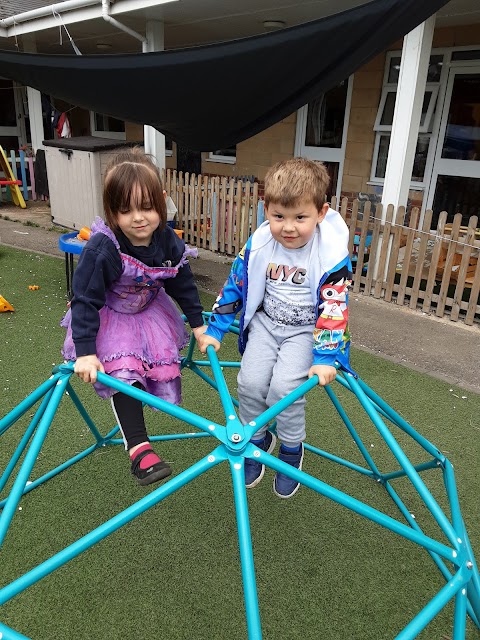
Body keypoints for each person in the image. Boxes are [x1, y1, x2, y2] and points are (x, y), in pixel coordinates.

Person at [197, 158, 353, 499]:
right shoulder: (260, 244)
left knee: (284, 389)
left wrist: (326, 356)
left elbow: (334, 307)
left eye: (301, 217)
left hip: (305, 331)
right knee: (250, 382)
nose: (289, 227)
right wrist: (218, 327)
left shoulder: (329, 254)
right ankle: (257, 437)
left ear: (321, 213)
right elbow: (236, 284)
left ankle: (291, 449)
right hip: (266, 325)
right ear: (265, 209)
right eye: (279, 216)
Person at [61, 147, 206, 486]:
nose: (138, 218)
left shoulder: (169, 242)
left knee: (155, 368)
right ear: (111, 212)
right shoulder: (103, 248)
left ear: (162, 201)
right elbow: (84, 299)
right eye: (125, 211)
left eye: (147, 207)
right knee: (124, 372)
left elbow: (182, 284)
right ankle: (140, 450)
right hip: (110, 316)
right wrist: (85, 352)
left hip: (150, 313)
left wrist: (198, 326)